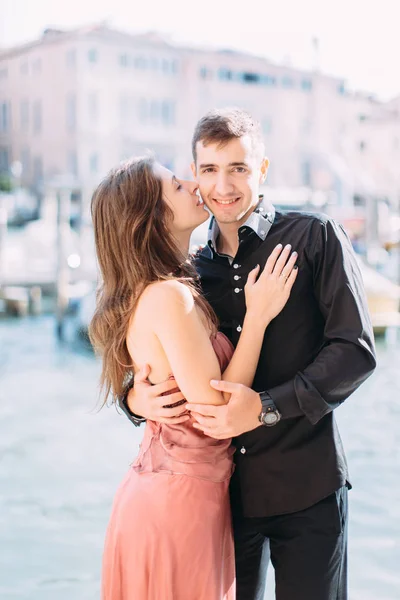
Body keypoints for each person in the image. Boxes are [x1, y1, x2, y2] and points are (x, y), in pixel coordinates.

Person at [123, 108, 377, 600]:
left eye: (238, 168)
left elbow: (355, 351)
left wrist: (267, 406)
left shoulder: (315, 236)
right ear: (195, 175)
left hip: (308, 488)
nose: (224, 185)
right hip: (223, 503)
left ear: (261, 171)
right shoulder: (190, 274)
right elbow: (149, 352)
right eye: (210, 169)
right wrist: (131, 398)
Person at [89, 155, 298, 600]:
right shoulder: (168, 295)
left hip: (182, 494)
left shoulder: (173, 285)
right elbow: (214, 410)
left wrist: (133, 400)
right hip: (175, 503)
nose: (192, 184)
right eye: (177, 186)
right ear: (153, 218)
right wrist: (258, 318)